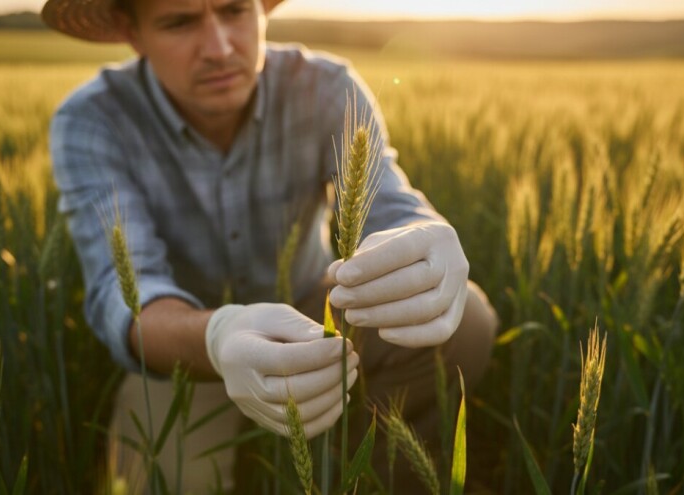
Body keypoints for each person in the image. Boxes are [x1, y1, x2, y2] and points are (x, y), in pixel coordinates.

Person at [43, 0, 498, 491]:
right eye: (179, 22)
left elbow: (388, 204)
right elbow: (124, 293)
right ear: (132, 34)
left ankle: (361, 465)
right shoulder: (91, 119)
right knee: (162, 482)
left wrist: (425, 239)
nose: (219, 48)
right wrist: (218, 337)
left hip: (313, 313)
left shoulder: (326, 87)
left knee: (466, 319)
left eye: (234, 10)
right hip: (187, 346)